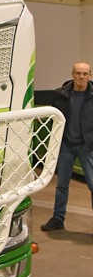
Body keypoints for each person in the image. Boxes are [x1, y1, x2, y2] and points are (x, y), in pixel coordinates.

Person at [41, 61, 93, 231]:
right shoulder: (61, 94)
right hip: (66, 146)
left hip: (87, 147)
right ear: (72, 74)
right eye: (78, 73)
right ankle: (58, 219)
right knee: (62, 185)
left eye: (85, 74)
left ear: (90, 76)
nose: (81, 77)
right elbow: (54, 118)